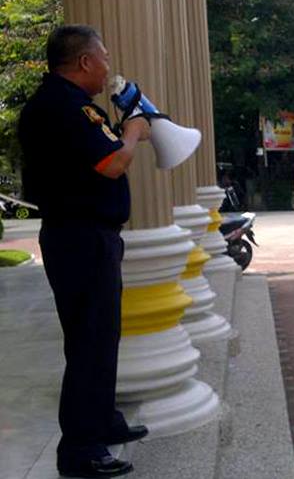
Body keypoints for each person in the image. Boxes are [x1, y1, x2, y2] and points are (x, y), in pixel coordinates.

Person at [18, 25, 150, 477]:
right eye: (105, 58)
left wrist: (120, 129)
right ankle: (79, 448)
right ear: (85, 62)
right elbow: (112, 163)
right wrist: (133, 131)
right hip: (80, 238)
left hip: (84, 236)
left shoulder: (65, 106)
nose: (108, 67)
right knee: (90, 342)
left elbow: (95, 158)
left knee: (99, 337)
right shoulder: (64, 107)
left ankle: (100, 422)